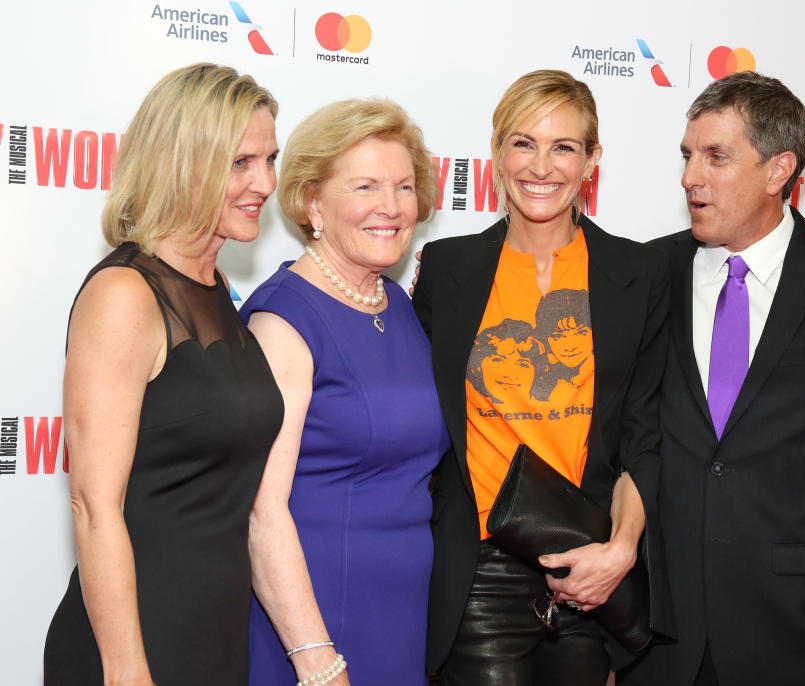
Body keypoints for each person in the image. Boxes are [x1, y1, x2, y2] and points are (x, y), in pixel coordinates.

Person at [618, 71, 805, 686]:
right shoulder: (645, 273)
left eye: (716, 157)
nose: (689, 178)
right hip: (657, 634)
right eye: (687, 156)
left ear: (778, 169)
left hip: (801, 628)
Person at [412, 69, 673, 686]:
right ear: (498, 154)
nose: (542, 166)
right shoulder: (448, 268)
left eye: (564, 147)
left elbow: (644, 436)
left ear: (592, 161)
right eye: (524, 143)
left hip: (589, 569)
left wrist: (619, 552)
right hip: (480, 567)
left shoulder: (636, 273)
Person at [43, 63, 283, 685]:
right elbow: (94, 504)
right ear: (184, 163)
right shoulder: (125, 293)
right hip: (135, 644)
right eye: (240, 163)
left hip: (216, 635)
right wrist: (127, 673)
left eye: (269, 159)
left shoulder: (215, 286)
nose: (265, 182)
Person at [241, 99, 449, 686]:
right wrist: (317, 660)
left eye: (404, 187)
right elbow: (262, 510)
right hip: (314, 627)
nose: (390, 207)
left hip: (399, 620)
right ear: (313, 204)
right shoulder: (284, 321)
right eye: (366, 186)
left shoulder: (397, 305)